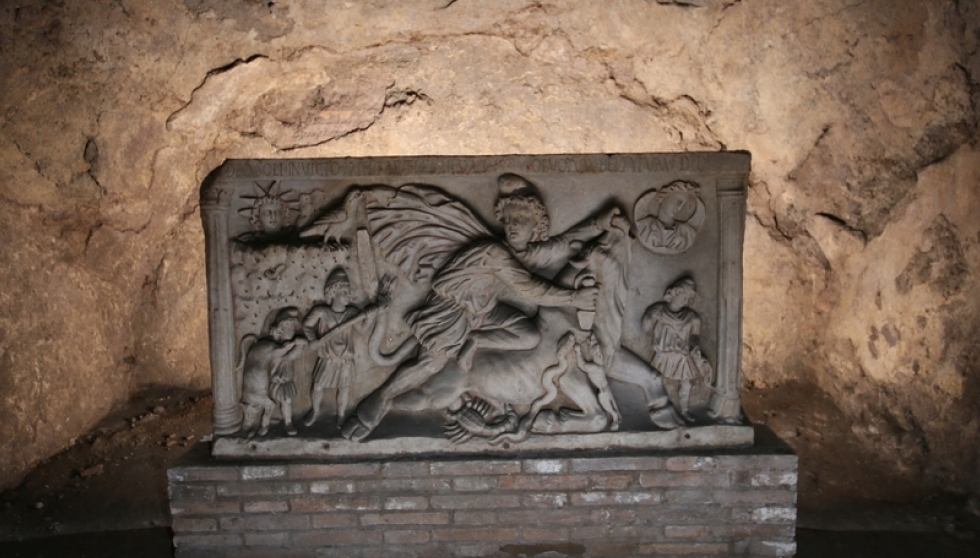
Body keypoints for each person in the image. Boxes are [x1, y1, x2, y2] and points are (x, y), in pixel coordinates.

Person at [341, 182, 599, 441]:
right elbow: (531, 289)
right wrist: (574, 297)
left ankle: (475, 340)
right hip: (451, 308)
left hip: (482, 309)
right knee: (429, 364)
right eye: (509, 220)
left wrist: (599, 224)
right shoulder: (493, 252)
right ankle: (378, 402)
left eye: (521, 220)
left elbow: (562, 244)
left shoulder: (519, 252)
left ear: (537, 226)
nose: (513, 226)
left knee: (529, 336)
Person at [641, 277, 712, 421]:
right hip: (663, 355)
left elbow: (695, 337)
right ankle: (660, 409)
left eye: (688, 298)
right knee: (659, 381)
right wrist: (650, 316)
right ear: (674, 293)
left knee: (686, 384)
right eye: (683, 295)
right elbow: (645, 327)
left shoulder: (692, 318)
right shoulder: (659, 311)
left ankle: (684, 411)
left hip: (682, 356)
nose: (685, 300)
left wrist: (694, 348)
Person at [303, 269, 361, 426]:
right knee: (318, 385)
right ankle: (315, 410)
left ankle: (341, 414)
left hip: (345, 358)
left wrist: (370, 316)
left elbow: (362, 330)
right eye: (344, 292)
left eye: (349, 291)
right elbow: (307, 325)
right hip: (328, 357)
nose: (349, 295)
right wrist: (312, 339)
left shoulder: (352, 313)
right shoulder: (321, 312)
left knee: (344, 387)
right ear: (333, 292)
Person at [239, 307, 307, 437]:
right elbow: (288, 356)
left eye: (293, 330)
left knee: (286, 401)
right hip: (271, 380)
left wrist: (300, 346)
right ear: (279, 330)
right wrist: (297, 344)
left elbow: (293, 355)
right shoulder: (273, 348)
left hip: (285, 379)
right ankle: (262, 425)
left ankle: (288, 422)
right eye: (289, 330)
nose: (292, 333)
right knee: (268, 403)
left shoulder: (282, 347)